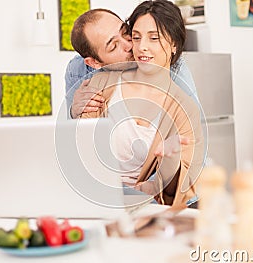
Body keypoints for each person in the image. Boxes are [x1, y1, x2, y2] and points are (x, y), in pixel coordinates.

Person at [77, 0, 204, 208]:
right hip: (97, 201)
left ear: (173, 44)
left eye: (154, 38)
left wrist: (170, 159)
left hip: (146, 210)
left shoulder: (184, 108)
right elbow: (81, 155)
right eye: (136, 37)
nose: (141, 46)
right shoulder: (100, 85)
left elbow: (175, 194)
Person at [66, 7, 199, 119]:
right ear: (94, 62)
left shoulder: (165, 59)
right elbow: (72, 132)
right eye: (113, 46)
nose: (129, 44)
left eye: (125, 32)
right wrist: (74, 111)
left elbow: (194, 122)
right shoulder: (78, 71)